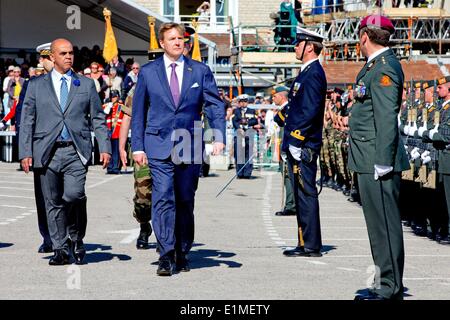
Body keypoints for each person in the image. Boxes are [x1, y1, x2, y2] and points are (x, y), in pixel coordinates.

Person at [131, 23, 225, 276]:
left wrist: (217, 137)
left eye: (180, 39)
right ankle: (165, 254)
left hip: (189, 144)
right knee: (162, 197)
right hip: (158, 144)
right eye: (171, 39)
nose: (177, 42)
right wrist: (137, 146)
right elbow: (138, 112)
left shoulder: (200, 71)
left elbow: (214, 106)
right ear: (162, 43)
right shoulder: (149, 72)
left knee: (185, 200)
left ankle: (183, 251)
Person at [19, 38, 111, 266]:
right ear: (52, 57)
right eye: (63, 53)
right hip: (46, 151)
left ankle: (77, 239)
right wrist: (25, 152)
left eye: (71, 53)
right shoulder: (36, 85)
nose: (69, 57)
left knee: (74, 195)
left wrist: (105, 147)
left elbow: (98, 118)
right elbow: (27, 120)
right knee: (52, 202)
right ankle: (59, 248)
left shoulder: (86, 84)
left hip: (74, 151)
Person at [348, 15, 409, 300]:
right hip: (369, 155)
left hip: (376, 158)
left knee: (384, 223)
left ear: (364, 37)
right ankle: (386, 281)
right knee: (377, 224)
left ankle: (390, 286)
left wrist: (383, 160)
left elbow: (386, 117)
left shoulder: (384, 68)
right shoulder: (374, 67)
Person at [281, 27, 327, 258]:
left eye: (298, 44)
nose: (295, 48)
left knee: (305, 194)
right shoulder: (306, 72)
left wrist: (296, 139)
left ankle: (310, 244)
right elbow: (297, 105)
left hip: (304, 144)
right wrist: (281, 117)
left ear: (309, 47)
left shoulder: (314, 73)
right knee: (301, 195)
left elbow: (310, 110)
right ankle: (304, 242)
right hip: (298, 140)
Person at [272, 86, 296, 216]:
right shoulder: (283, 109)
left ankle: (291, 205)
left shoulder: (288, 109)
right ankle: (291, 203)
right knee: (286, 177)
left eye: (275, 96)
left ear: (281, 96)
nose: (273, 98)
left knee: (288, 177)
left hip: (287, 148)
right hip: (282, 147)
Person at [232, 94, 258, 179]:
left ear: (247, 102)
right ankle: (239, 173)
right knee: (239, 154)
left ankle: (247, 173)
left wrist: (247, 124)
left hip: (248, 134)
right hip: (239, 134)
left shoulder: (252, 111)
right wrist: (239, 128)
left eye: (245, 101)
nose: (243, 103)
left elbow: (255, 120)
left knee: (248, 154)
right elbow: (234, 120)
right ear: (239, 102)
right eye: (241, 102)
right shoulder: (236, 111)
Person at [103, 90, 124, 174]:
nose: (113, 98)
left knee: (116, 152)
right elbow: (104, 113)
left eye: (115, 96)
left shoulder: (121, 106)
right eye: (112, 97)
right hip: (108, 131)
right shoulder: (106, 106)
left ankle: (116, 168)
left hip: (118, 132)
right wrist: (109, 106)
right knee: (109, 151)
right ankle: (109, 167)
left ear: (118, 97)